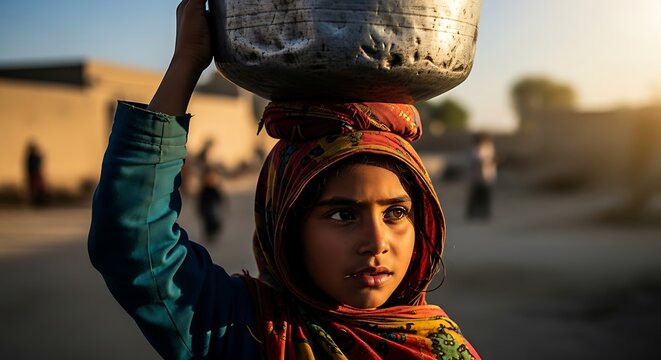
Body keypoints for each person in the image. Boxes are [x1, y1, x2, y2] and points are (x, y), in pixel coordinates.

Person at [88, 0, 481, 358]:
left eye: (396, 212)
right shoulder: (244, 330)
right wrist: (187, 62)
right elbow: (132, 242)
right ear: (288, 226)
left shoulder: (441, 348)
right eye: (343, 215)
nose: (377, 243)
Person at [466, 132, 497, 220]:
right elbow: (476, 160)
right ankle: (471, 213)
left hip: (487, 176)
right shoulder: (476, 148)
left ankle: (485, 213)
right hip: (477, 176)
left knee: (485, 196)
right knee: (475, 196)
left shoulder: (489, 147)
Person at [197, 165, 226, 244]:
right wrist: (200, 209)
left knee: (213, 221)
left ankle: (212, 235)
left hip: (212, 208)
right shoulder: (204, 190)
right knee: (207, 222)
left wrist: (222, 205)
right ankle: (209, 235)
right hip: (206, 208)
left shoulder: (213, 189)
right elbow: (200, 200)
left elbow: (219, 198)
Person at [25, 139, 47, 206]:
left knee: (37, 188)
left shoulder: (32, 157)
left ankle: (38, 201)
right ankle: (35, 201)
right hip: (33, 174)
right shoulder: (31, 157)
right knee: (34, 188)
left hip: (35, 174)